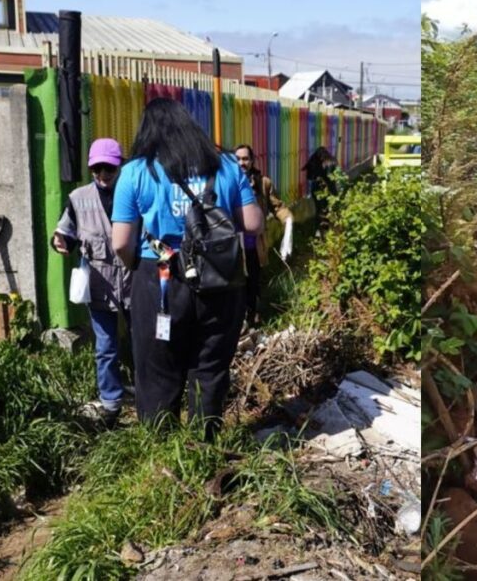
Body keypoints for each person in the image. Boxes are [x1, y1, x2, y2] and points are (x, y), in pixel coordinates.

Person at [111, 99, 263, 441]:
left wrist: (132, 267)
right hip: (220, 280)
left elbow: (121, 242)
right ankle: (202, 447)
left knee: (157, 369)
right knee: (208, 367)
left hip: (160, 279)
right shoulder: (226, 166)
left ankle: (161, 453)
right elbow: (252, 224)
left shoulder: (136, 172)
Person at [52, 137, 131, 428]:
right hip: (99, 284)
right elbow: (65, 233)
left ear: (119, 167)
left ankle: (150, 396)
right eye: (96, 170)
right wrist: (59, 242)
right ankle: (111, 403)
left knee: (143, 341)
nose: (102, 176)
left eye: (108, 170)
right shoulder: (77, 198)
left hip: (133, 281)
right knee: (106, 345)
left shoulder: (133, 191)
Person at [233, 144, 293, 327]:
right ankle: (238, 320)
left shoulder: (263, 183)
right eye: (238, 159)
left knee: (254, 281)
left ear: (252, 160)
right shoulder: (228, 182)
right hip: (234, 246)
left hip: (255, 245)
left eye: (245, 159)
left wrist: (288, 220)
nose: (242, 163)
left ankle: (254, 317)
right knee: (236, 285)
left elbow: (277, 206)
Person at [303, 146, 338, 231]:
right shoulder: (332, 161)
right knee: (328, 209)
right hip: (330, 189)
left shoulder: (314, 160)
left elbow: (309, 177)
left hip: (317, 189)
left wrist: (317, 176)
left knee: (319, 210)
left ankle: (319, 230)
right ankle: (327, 229)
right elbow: (333, 177)